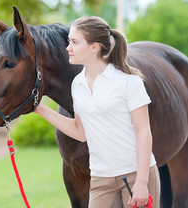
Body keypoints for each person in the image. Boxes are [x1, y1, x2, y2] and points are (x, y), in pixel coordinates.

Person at [34, 16, 160, 208]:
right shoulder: (77, 84)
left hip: (135, 175)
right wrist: (40, 109)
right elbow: (80, 132)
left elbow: (143, 131)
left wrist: (142, 183)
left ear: (94, 47)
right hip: (101, 179)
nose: (68, 48)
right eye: (69, 42)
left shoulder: (128, 81)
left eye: (75, 42)